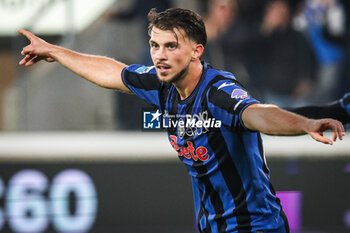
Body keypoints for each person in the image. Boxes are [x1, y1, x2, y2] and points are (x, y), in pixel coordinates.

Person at [18, 8, 345, 233]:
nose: (159, 55)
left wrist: (304, 124)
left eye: (171, 46)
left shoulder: (218, 93)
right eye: (154, 45)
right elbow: (112, 72)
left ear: (196, 51)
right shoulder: (161, 85)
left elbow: (258, 114)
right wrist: (57, 52)